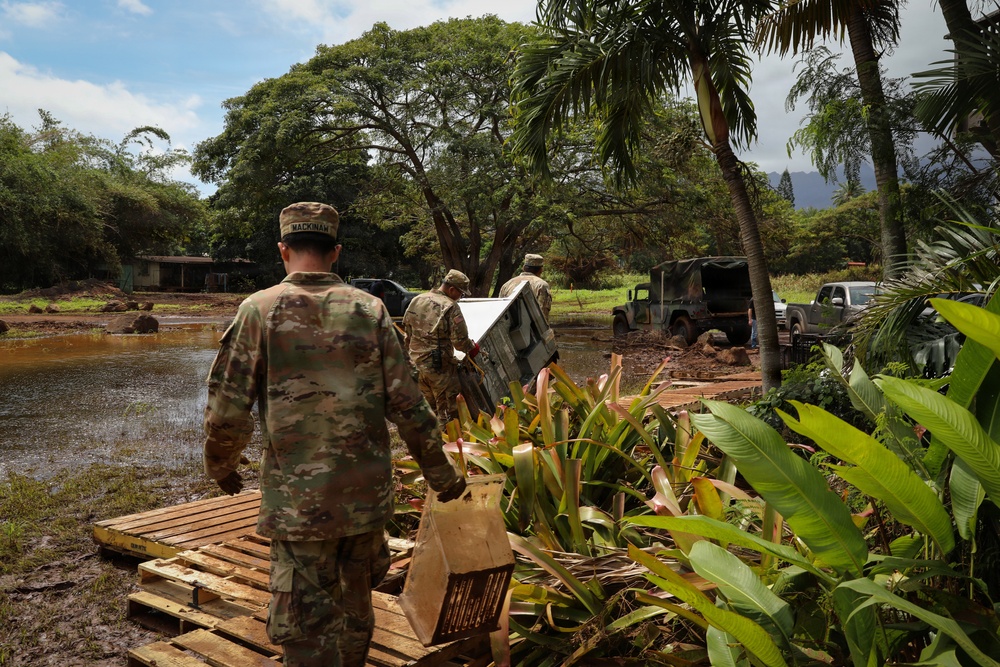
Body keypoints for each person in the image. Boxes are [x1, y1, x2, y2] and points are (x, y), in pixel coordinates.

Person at [203, 201, 466, 667]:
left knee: (305, 628)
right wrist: (442, 477)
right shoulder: (371, 310)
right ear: (336, 251)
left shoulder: (258, 311)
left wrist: (221, 466)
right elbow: (409, 405)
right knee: (355, 613)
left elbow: (228, 407)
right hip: (365, 502)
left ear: (283, 250)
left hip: (300, 506)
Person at [402, 269, 482, 424]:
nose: (460, 297)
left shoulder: (417, 300)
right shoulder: (450, 307)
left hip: (416, 366)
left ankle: (427, 444)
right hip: (440, 370)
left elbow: (408, 335)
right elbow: (460, 342)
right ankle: (447, 445)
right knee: (448, 414)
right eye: (461, 293)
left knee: (426, 411)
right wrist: (473, 348)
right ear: (452, 289)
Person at [499, 253, 552, 322]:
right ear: (541, 270)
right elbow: (543, 313)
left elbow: (500, 311)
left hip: (507, 329)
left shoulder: (507, 284)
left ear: (523, 268)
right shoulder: (541, 285)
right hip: (531, 330)